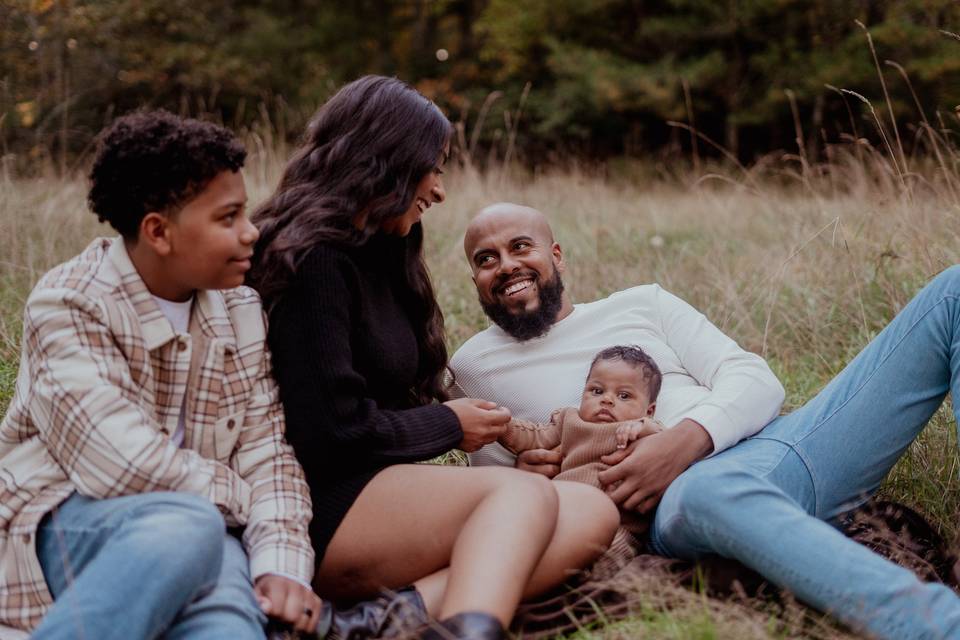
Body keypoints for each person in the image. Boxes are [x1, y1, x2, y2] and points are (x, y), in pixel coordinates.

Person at [451, 202, 960, 639]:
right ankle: (936, 625)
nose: (507, 265)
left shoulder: (642, 303)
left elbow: (753, 378)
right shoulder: (474, 366)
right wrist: (528, 477)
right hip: (682, 502)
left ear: (555, 255)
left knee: (951, 293)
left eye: (521, 247)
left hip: (781, 443)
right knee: (711, 490)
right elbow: (497, 496)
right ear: (474, 278)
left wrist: (685, 443)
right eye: (486, 259)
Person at [247, 76, 619, 640]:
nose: (440, 190)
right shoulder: (315, 261)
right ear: (389, 160)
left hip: (385, 493)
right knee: (519, 495)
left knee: (591, 514)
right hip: (319, 506)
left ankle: (365, 625)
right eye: (434, 166)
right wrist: (449, 424)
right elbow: (326, 432)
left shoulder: (383, 250)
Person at [0, 111, 319, 640]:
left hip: (203, 534)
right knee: (189, 525)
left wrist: (280, 563)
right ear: (158, 231)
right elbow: (126, 468)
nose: (252, 231)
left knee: (230, 625)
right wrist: (242, 501)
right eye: (228, 217)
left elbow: (268, 451)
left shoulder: (239, 309)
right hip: (64, 522)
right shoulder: (71, 302)